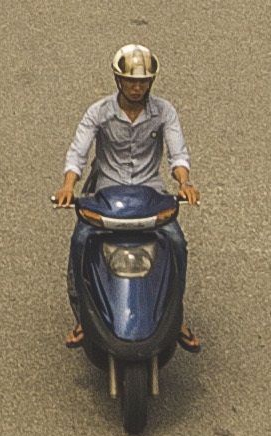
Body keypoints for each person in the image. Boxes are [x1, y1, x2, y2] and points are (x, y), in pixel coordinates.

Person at [53, 42, 197, 344]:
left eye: (143, 81)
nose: (136, 87)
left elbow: (178, 154)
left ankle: (176, 319)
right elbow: (77, 154)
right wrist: (69, 186)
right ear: (118, 80)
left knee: (177, 243)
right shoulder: (99, 112)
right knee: (80, 241)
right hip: (106, 194)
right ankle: (83, 319)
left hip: (150, 192)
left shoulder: (164, 112)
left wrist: (184, 183)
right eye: (131, 80)